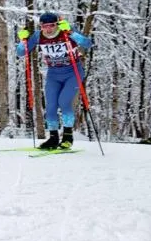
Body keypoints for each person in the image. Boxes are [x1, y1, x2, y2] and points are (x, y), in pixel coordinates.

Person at [15, 12, 94, 150]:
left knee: (64, 102)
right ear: (41, 26)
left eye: (51, 25)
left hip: (73, 72)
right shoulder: (38, 36)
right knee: (51, 106)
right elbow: (21, 52)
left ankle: (68, 137)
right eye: (44, 26)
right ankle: (53, 138)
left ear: (56, 24)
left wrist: (71, 33)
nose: (48, 29)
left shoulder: (66, 30)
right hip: (54, 74)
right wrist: (23, 41)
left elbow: (88, 43)